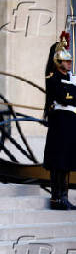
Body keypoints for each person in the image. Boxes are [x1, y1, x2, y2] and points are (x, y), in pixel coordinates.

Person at [43, 31, 76, 210]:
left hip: (70, 121)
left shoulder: (70, 79)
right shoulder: (53, 78)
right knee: (59, 161)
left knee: (68, 161)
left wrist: (71, 95)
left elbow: (71, 97)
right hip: (60, 121)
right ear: (58, 62)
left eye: (70, 61)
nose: (69, 63)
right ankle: (56, 197)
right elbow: (64, 98)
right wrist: (71, 95)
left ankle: (64, 195)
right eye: (66, 61)